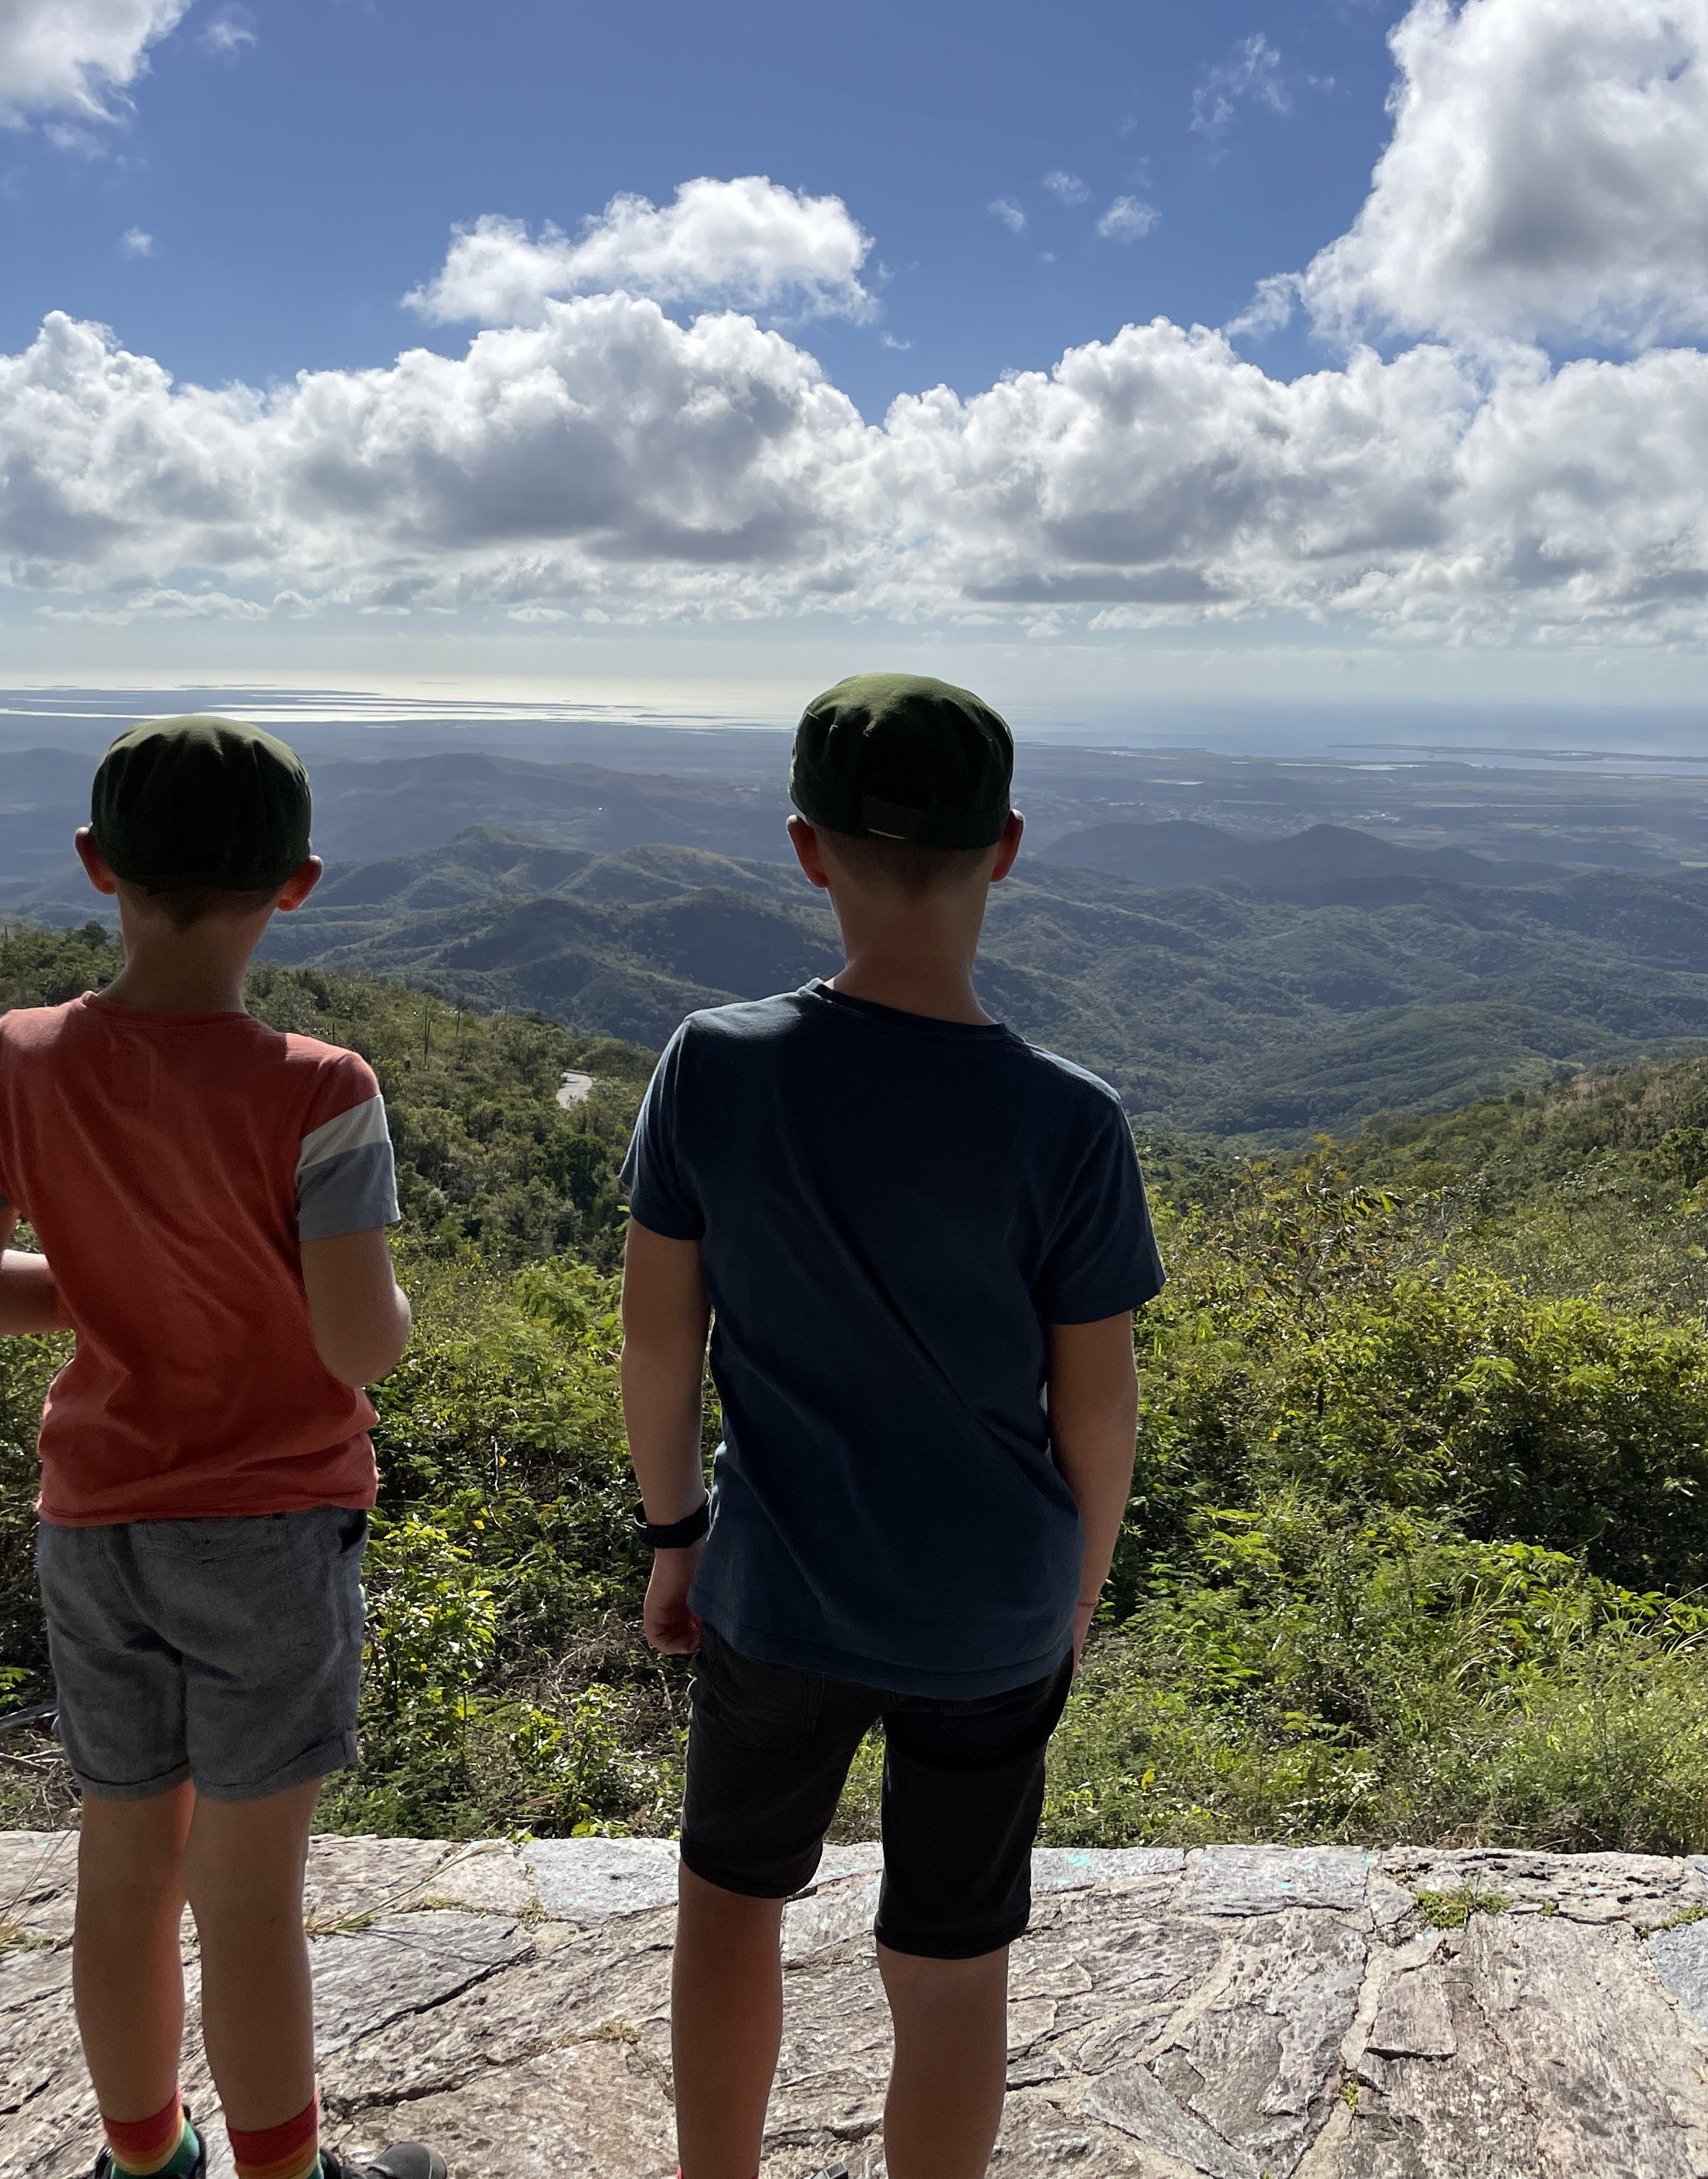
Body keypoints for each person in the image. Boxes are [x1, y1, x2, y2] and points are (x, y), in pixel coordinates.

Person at [619, 673, 1162, 2179]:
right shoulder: (1072, 1119)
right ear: (1009, 846)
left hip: (778, 1592)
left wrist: (676, 1538)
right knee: (953, 1961)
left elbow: (660, 1338)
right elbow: (1098, 1404)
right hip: (991, 1608)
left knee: (732, 1904)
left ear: (808, 851)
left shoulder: (714, 1066)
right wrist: (1076, 1586)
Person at [0, 716, 443, 2179]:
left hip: (94, 1521)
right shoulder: (322, 1092)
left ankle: (147, 2159)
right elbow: (358, 1346)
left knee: (126, 1866)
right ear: (300, 884)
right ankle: (284, 2171)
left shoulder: (10, 1062)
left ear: (97, 867)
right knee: (251, 1894)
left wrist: (111, 1280)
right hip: (267, 1531)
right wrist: (374, 1292)